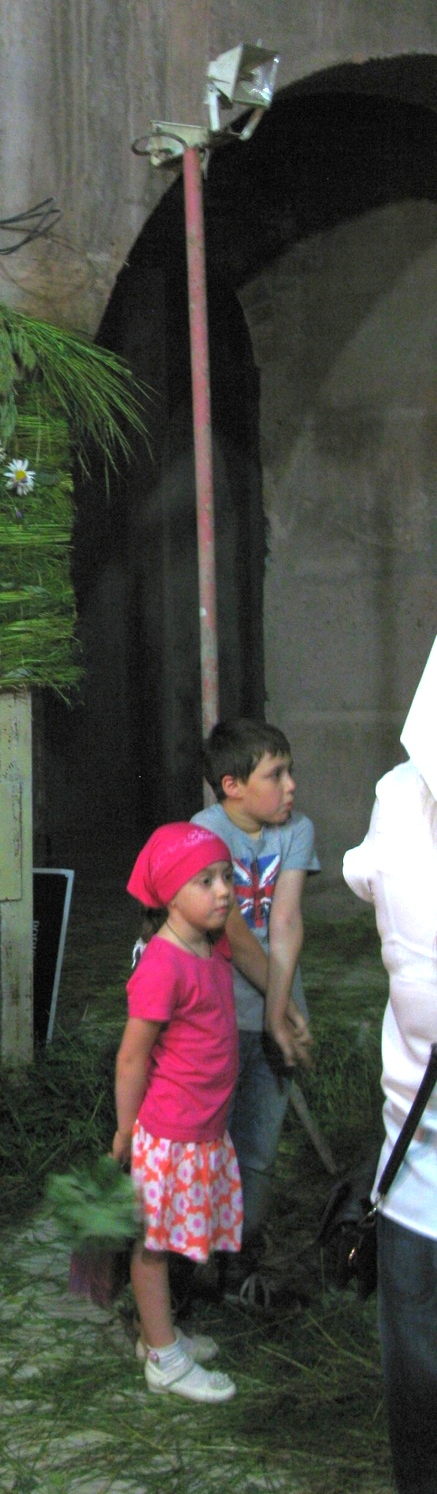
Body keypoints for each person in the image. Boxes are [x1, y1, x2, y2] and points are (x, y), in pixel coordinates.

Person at [343, 636, 437, 1494]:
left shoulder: (396, 797)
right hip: (415, 1161)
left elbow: (362, 877)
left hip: (411, 1163)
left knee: (417, 1392)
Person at [115, 822, 243, 1402]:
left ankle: (157, 1334)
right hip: (169, 1133)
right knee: (153, 1245)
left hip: (202, 1130)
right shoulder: (162, 964)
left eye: (226, 878)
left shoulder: (212, 947)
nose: (223, 891)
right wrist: (126, 1131)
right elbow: (131, 1057)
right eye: (205, 881)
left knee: (168, 1240)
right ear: (169, 893)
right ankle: (164, 1359)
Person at [192, 720, 316, 1303]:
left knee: (260, 1143)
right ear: (232, 785)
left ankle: (241, 1262)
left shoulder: (297, 830)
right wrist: (277, 1011)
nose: (291, 786)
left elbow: (285, 920)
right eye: (276, 774)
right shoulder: (204, 831)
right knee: (207, 1136)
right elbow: (233, 931)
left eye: (289, 771)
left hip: (276, 1006)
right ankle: (191, 1265)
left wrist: (280, 1010)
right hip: (218, 1017)